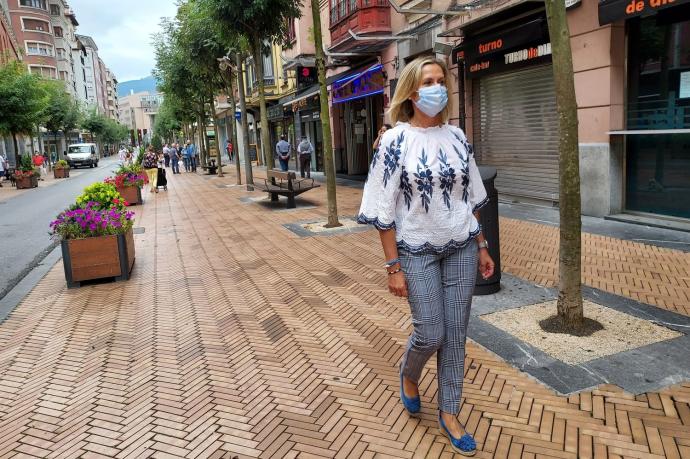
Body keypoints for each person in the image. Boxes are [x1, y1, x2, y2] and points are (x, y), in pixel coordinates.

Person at [356, 56, 495, 457]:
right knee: (431, 333)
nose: (435, 88)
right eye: (426, 82)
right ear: (412, 93)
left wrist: (482, 245)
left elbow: (470, 199)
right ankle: (409, 373)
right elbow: (383, 210)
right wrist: (392, 266)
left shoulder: (457, 137)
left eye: (440, 81)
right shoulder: (395, 141)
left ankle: (450, 412)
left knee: (455, 336)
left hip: (462, 247)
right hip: (415, 251)